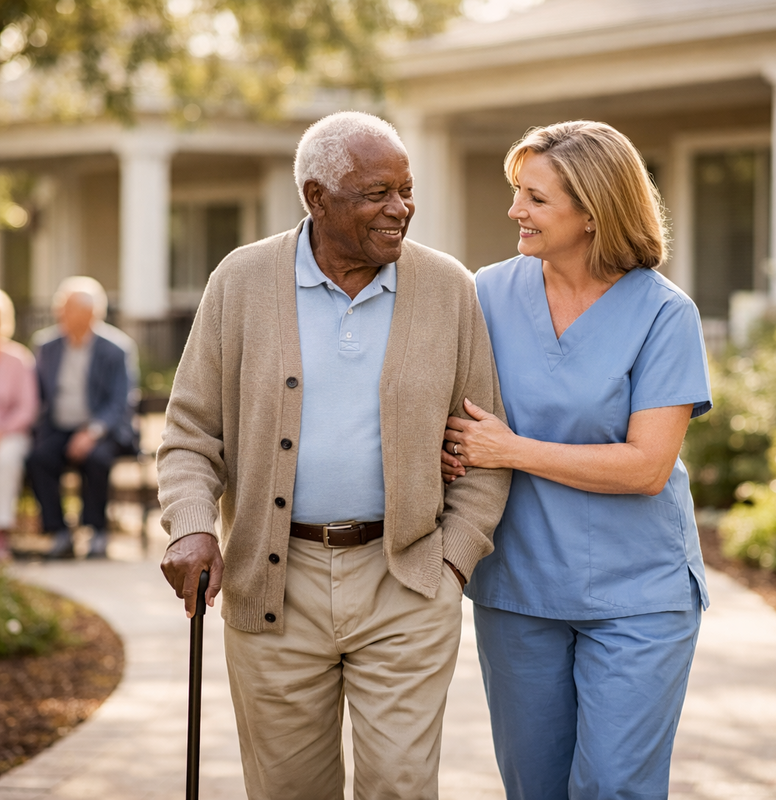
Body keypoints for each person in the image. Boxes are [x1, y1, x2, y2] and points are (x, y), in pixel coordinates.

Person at [158, 111, 510, 800]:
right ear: (317, 198)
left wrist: (453, 563)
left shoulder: (447, 289)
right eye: (377, 193)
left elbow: (484, 441)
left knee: (401, 785)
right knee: (288, 789)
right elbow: (191, 432)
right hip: (272, 584)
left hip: (406, 579)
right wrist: (193, 524)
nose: (400, 209)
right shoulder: (240, 282)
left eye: (406, 190)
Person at [441, 120, 712, 800]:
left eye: (535, 198)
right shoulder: (485, 295)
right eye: (516, 192)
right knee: (534, 788)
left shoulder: (663, 315)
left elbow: (647, 466)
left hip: (637, 593)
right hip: (519, 587)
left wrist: (509, 449)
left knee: (614, 787)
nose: (514, 212)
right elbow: (443, 415)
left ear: (592, 212)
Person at [27, 277, 136, 559]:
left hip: (100, 430)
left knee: (97, 459)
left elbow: (119, 402)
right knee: (39, 459)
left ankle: (96, 531)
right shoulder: (46, 346)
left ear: (90, 314)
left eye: (67, 309)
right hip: (59, 429)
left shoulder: (116, 348)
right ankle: (59, 532)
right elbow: (38, 395)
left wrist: (92, 432)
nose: (59, 314)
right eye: (60, 308)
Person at [0, 290, 39, 560]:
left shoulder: (19, 359)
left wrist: (3, 429)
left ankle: (2, 531)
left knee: (7, 458)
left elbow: (28, 408)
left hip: (11, 434)